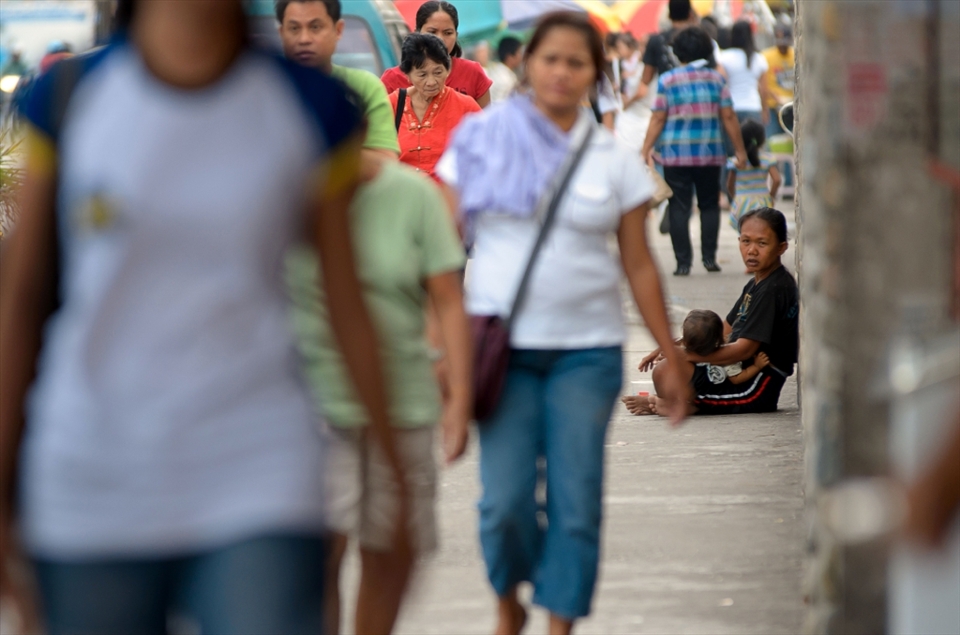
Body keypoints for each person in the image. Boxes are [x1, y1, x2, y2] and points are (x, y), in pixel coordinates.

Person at [0, 0, 412, 632]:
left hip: (258, 471)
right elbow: (21, 299)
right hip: (90, 474)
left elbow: (345, 304)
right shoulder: (70, 98)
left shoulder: (308, 107)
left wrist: (397, 484)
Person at [436, 12, 691, 635]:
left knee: (576, 505)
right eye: (551, 58)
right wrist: (444, 357)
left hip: (586, 353)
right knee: (503, 506)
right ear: (526, 63)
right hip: (504, 352)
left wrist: (672, 353)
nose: (561, 72)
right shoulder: (478, 140)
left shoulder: (612, 160)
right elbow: (442, 256)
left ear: (594, 75)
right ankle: (507, 595)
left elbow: (638, 264)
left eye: (577, 63)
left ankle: (559, 624)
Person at [625, 207, 798, 417]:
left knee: (667, 369)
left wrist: (686, 354)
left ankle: (672, 404)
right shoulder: (757, 283)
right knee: (667, 367)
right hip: (735, 369)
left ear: (781, 247)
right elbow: (725, 329)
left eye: (762, 243)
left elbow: (744, 350)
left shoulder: (774, 289)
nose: (752, 250)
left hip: (754, 385)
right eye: (746, 241)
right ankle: (671, 401)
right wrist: (675, 344)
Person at [641, 26, 747, 276]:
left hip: (674, 155)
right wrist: (740, 150)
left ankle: (682, 263)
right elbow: (729, 116)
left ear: (678, 53)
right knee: (709, 204)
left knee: (679, 206)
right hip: (710, 154)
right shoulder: (716, 79)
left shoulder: (668, 80)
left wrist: (644, 148)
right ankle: (709, 258)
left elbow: (658, 118)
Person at [276, 0, 399, 160]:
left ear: (338, 30)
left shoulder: (364, 87)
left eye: (315, 27)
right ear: (281, 33)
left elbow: (385, 161)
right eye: (294, 28)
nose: (304, 39)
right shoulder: (261, 90)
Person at [623, 309, 772, 414]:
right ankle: (664, 401)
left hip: (710, 392)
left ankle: (666, 403)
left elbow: (738, 378)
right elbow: (679, 343)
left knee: (664, 369)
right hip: (694, 389)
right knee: (667, 368)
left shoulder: (726, 358)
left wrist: (756, 367)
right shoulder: (710, 346)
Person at [390, 33, 481, 180]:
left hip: (450, 199)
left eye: (438, 72)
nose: (431, 82)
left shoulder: (466, 107)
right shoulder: (391, 105)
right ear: (407, 75)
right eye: (422, 75)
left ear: (448, 70)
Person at [381, 1, 492, 107]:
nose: (440, 39)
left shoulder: (473, 72)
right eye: (432, 32)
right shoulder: (392, 78)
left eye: (448, 33)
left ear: (456, 35)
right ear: (416, 33)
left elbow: (487, 123)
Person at [727, 119, 780, 229]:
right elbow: (777, 180)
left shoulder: (736, 161)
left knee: (745, 235)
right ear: (762, 139)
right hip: (762, 202)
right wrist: (771, 197)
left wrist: (736, 198)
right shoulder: (767, 159)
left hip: (741, 203)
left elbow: (729, 185)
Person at [615, 32, 653, 152]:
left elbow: (642, 92)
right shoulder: (639, 66)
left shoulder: (647, 69)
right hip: (633, 118)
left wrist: (627, 103)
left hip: (638, 117)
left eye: (643, 46)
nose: (639, 49)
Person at [762, 23, 795, 139]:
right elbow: (762, 82)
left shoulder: (795, 54)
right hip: (773, 106)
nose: (782, 46)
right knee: (772, 140)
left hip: (792, 106)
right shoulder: (766, 56)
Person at [488, 36, 522, 103]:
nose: (521, 56)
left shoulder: (498, 71)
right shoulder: (505, 80)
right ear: (510, 57)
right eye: (519, 53)